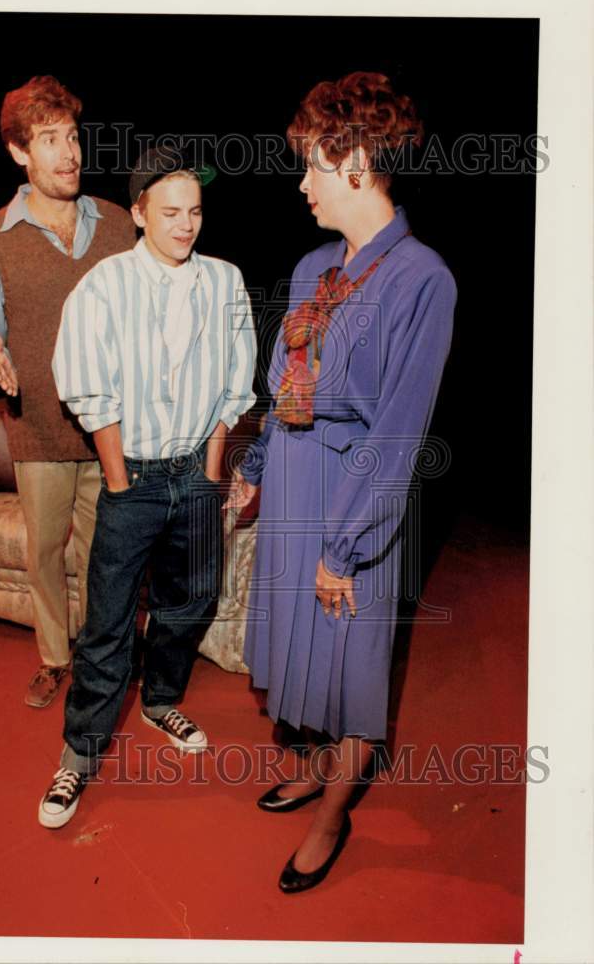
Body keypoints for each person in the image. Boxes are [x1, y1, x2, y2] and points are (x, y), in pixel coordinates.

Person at [227, 72, 457, 893]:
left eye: (313, 166)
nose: (302, 183)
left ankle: (334, 812)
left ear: (357, 160)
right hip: (291, 478)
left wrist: (347, 545)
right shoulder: (313, 263)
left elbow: (397, 434)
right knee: (301, 648)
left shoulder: (423, 279)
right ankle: (315, 766)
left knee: (354, 665)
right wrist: (252, 471)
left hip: (354, 492)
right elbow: (279, 380)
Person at [38, 146, 257, 828]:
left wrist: (214, 469)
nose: (186, 225)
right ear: (137, 213)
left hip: (197, 472)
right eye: (170, 213)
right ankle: (78, 756)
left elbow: (235, 384)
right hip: (130, 476)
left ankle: (161, 700)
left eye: (195, 212)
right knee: (106, 622)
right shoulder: (104, 286)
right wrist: (117, 476)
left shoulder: (225, 281)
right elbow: (85, 386)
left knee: (190, 600)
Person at [0, 76, 135, 708]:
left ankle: (99, 658)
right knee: (42, 552)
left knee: (103, 555)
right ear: (19, 152)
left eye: (72, 137)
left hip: (108, 429)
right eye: (49, 140)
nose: (69, 154)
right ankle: (54, 659)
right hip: (35, 425)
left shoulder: (118, 226)